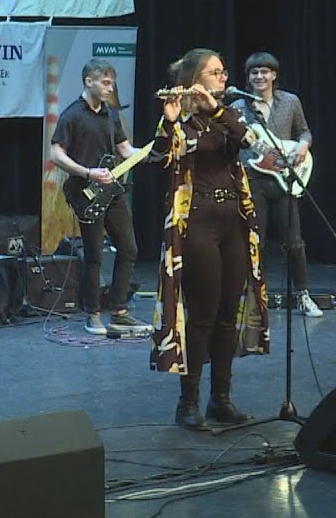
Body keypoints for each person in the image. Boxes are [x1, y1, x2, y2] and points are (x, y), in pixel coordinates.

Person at [151, 49, 270, 431]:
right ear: (194, 79)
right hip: (198, 219)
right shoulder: (179, 118)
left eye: (223, 71)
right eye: (215, 72)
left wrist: (216, 110)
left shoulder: (227, 115)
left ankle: (221, 399)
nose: (223, 78)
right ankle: (187, 404)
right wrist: (169, 122)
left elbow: (253, 142)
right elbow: (158, 159)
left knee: (227, 314)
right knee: (202, 316)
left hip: (233, 220)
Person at [50, 59, 149, 337]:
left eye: (112, 83)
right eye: (105, 83)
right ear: (88, 81)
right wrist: (88, 172)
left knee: (128, 249)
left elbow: (125, 150)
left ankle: (119, 312)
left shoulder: (111, 115)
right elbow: (56, 153)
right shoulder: (72, 115)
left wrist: (152, 151)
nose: (110, 88)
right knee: (93, 255)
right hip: (86, 192)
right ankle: (92, 314)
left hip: (112, 190)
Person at [229, 52, 322, 318]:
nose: (259, 76)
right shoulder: (238, 107)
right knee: (254, 241)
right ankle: (255, 297)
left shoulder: (290, 101)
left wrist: (302, 146)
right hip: (253, 178)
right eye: (254, 73)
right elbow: (230, 142)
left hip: (285, 178)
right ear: (248, 77)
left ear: (274, 75)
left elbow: (304, 131)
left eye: (264, 72)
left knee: (294, 242)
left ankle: (303, 295)